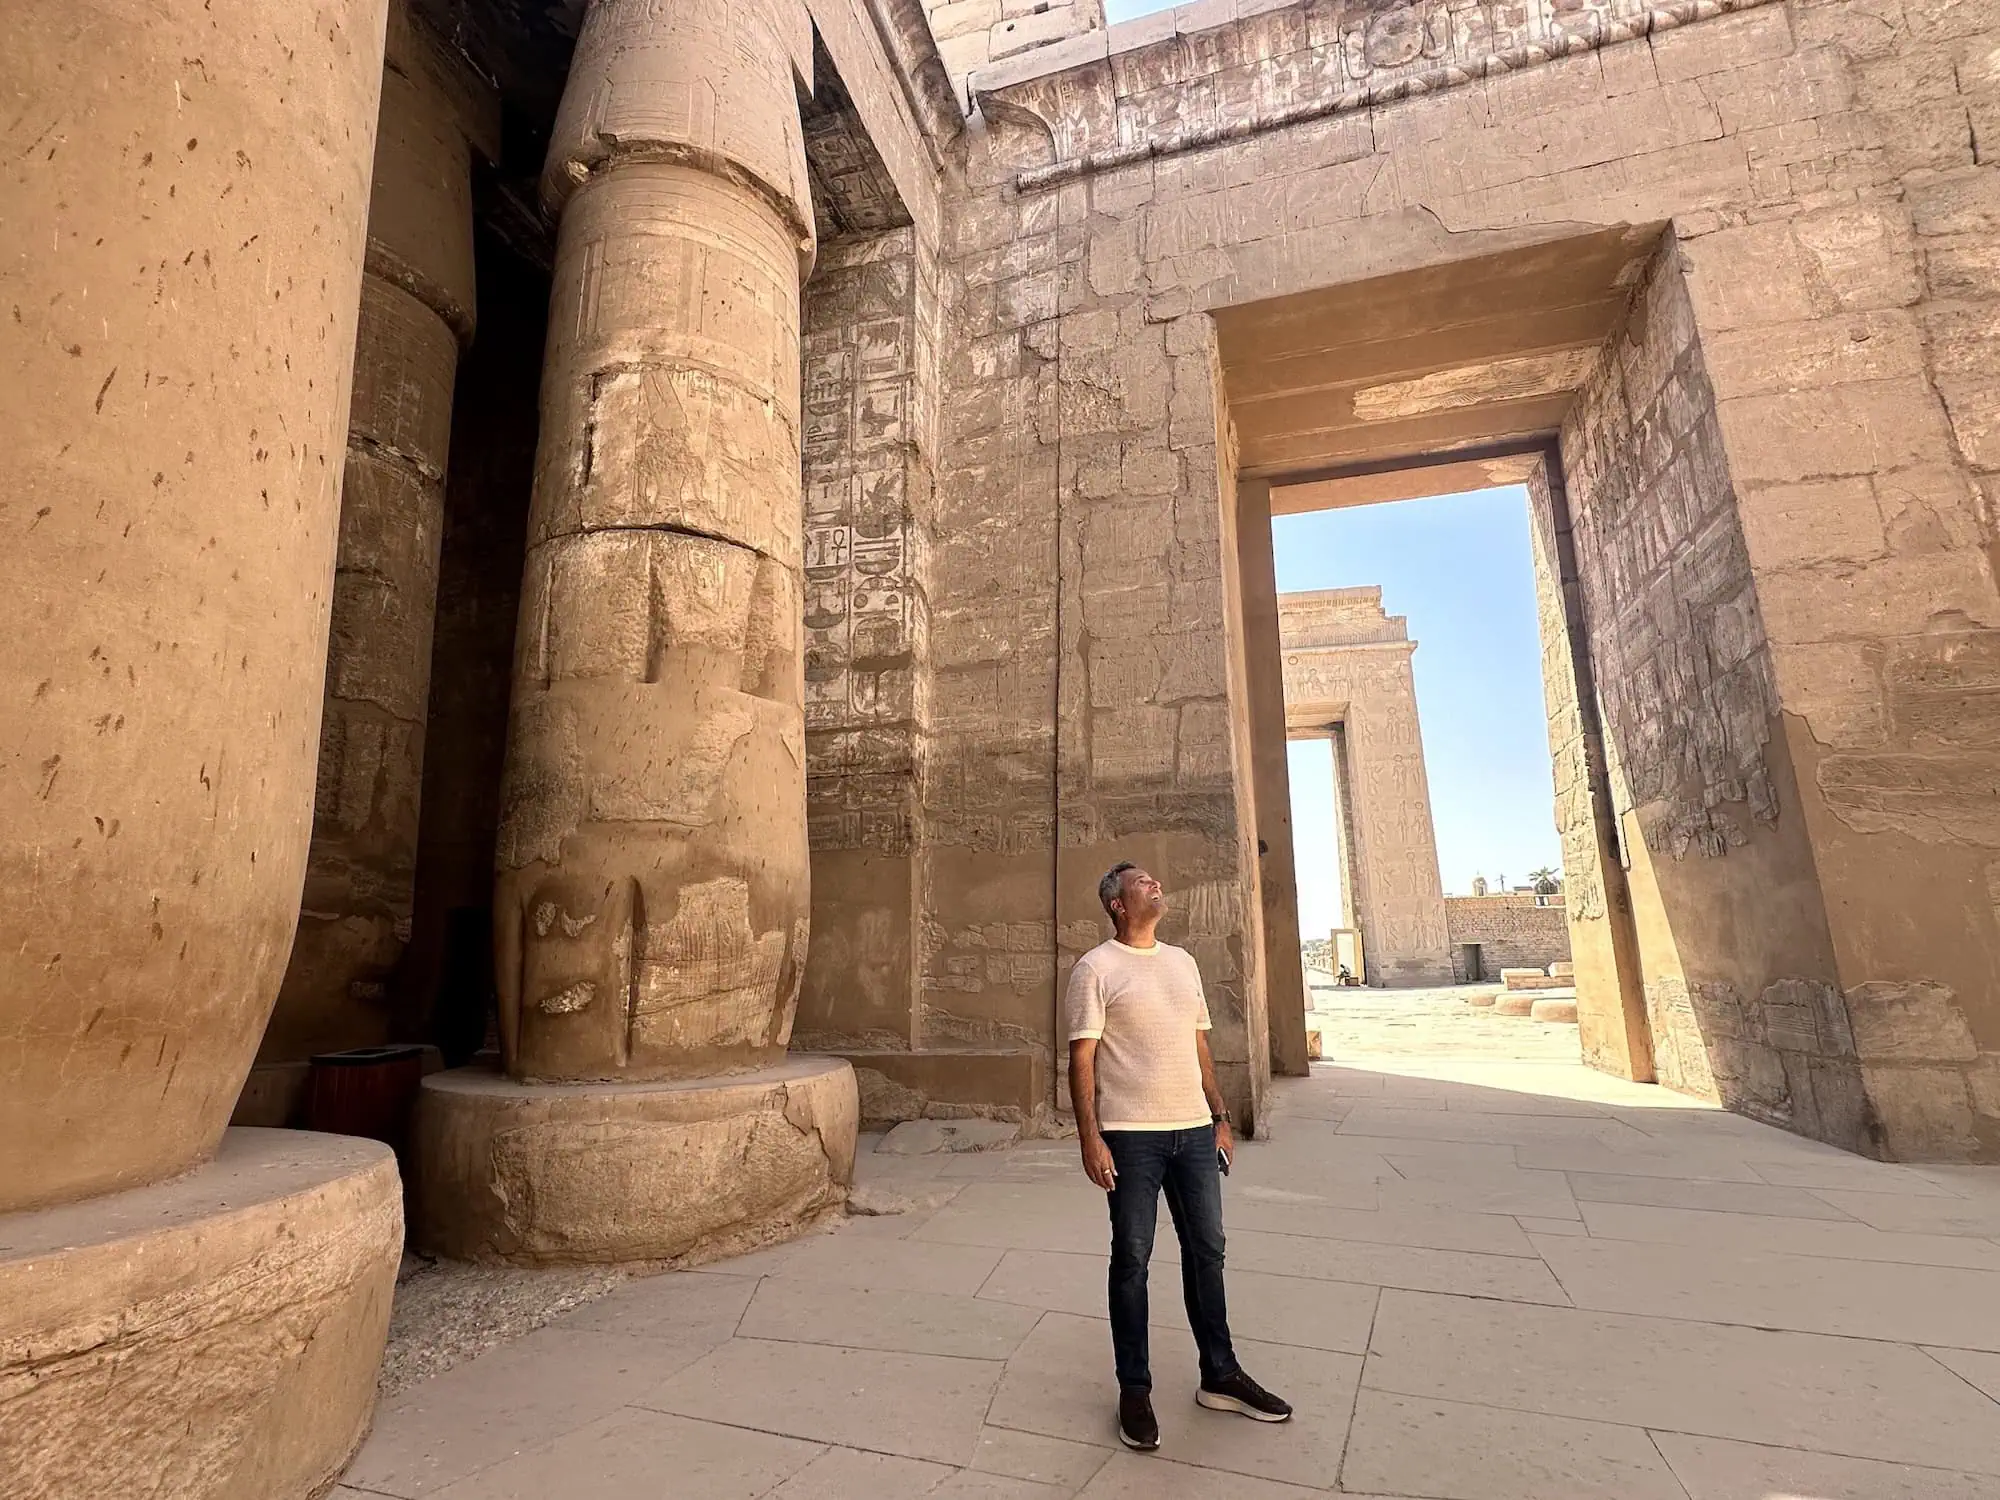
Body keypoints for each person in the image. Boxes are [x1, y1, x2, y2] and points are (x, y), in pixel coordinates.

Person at [1066, 861, 1292, 1451]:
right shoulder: (1095, 968)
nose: (1155, 885)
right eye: (1142, 883)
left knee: (1208, 1252)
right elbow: (1082, 1059)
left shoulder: (1183, 963)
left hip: (1192, 1132)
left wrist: (1218, 1117)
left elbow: (1200, 1046)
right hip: (1131, 1136)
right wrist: (1090, 1138)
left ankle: (1220, 1375)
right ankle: (1134, 1390)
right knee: (1132, 1261)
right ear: (1117, 903)